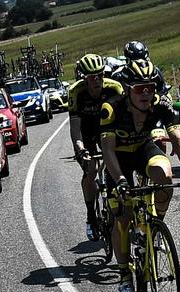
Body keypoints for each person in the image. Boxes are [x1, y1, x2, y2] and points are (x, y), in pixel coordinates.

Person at [100, 59, 180, 292]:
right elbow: (108, 151)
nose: (146, 93)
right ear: (127, 89)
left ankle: (156, 224)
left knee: (164, 174)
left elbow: (178, 138)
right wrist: (121, 181)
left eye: (150, 87)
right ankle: (124, 276)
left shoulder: (161, 106)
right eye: (139, 88)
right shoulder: (111, 109)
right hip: (118, 159)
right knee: (122, 216)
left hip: (143, 149)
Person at [68, 54, 124, 241]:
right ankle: (91, 215)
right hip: (87, 134)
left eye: (100, 75)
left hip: (108, 130)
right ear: (84, 78)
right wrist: (81, 148)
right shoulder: (76, 92)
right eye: (92, 77)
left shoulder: (114, 87)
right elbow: (75, 128)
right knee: (91, 170)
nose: (97, 80)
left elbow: (124, 119)